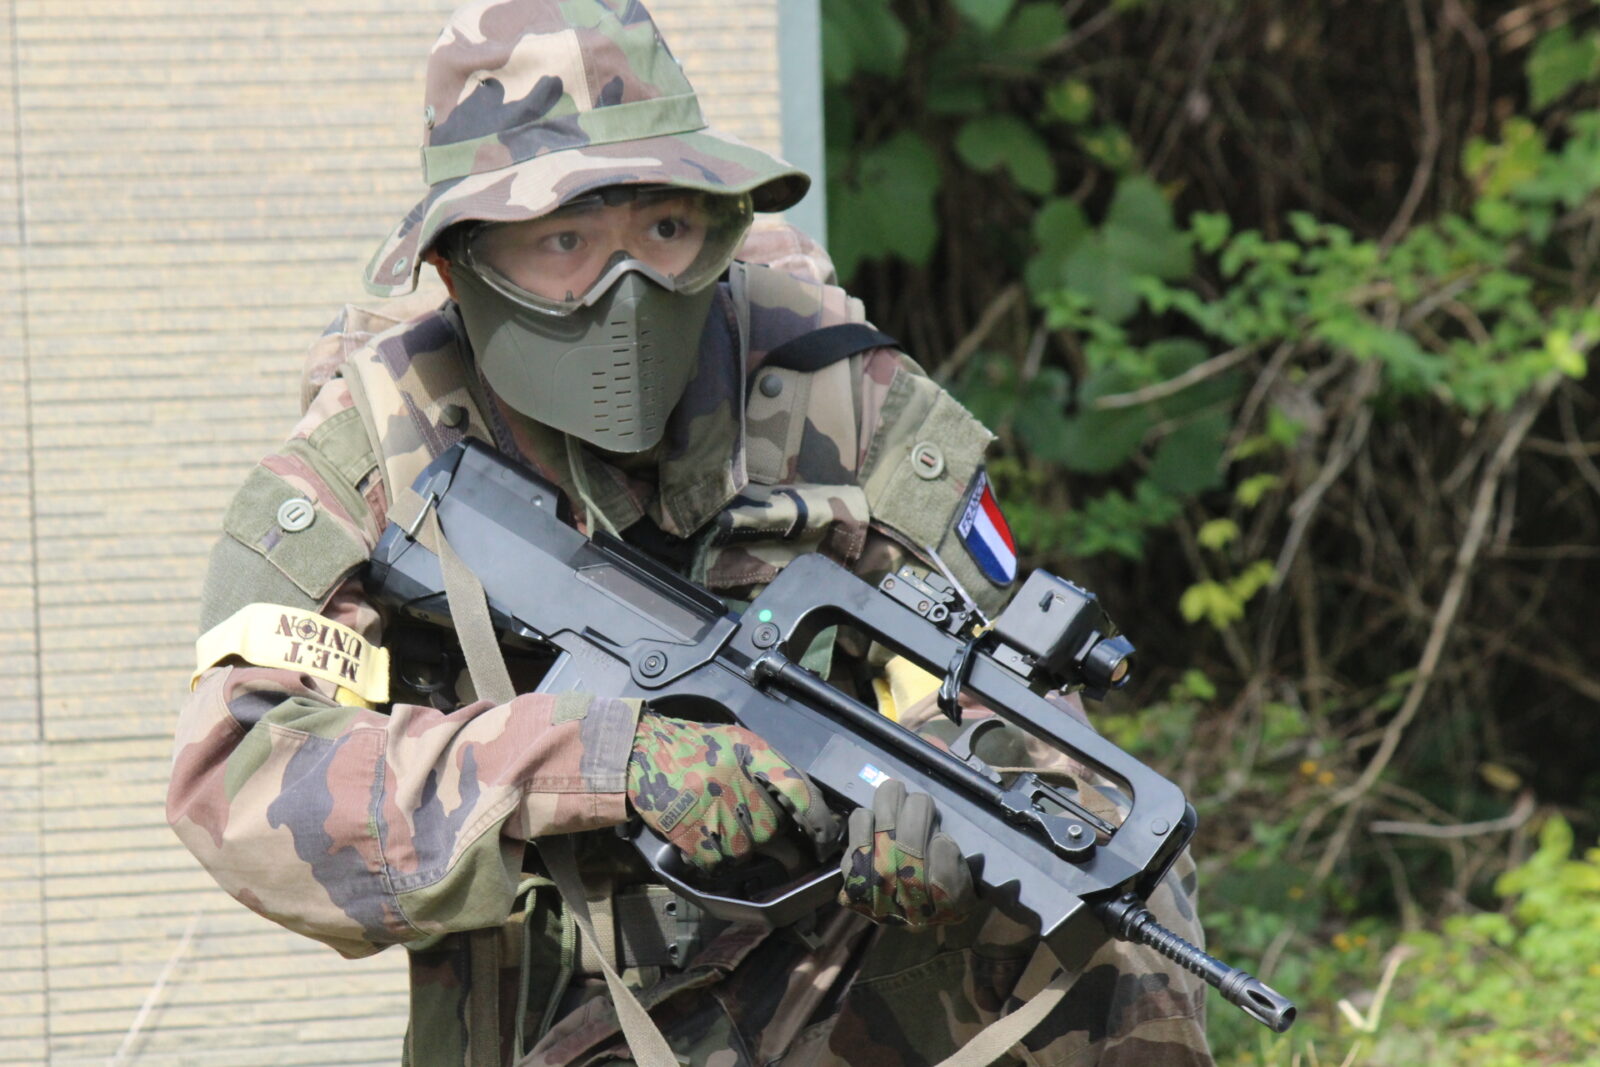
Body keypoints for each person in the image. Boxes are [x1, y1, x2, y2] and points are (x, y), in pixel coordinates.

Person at [167, 2, 1213, 1064]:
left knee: (1113, 913)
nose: (629, 292)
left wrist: (955, 785)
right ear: (458, 263)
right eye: (566, 242)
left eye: (665, 231)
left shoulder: (835, 392)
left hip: (837, 962)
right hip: (551, 997)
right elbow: (237, 777)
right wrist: (594, 759)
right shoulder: (378, 449)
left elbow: (1025, 704)